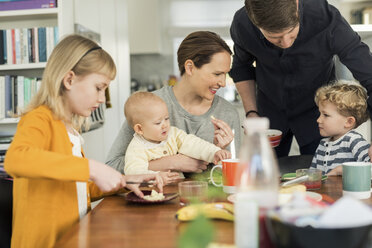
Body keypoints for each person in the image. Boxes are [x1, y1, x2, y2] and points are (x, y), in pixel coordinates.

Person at [4, 34, 163, 248]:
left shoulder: (69, 128)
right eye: (99, 88)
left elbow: (79, 190)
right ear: (69, 80)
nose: (101, 98)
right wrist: (93, 168)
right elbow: (16, 160)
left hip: (74, 238)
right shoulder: (39, 118)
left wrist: (124, 181)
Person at [229, 0, 372, 158]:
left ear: (296, 6)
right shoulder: (242, 23)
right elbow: (241, 68)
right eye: (275, 38)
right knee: (261, 175)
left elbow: (369, 75)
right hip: (269, 113)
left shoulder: (328, 19)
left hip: (319, 113)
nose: (286, 43)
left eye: (291, 32)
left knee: (324, 175)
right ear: (255, 24)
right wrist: (251, 112)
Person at [106, 31, 241, 174]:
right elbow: (112, 166)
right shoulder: (148, 107)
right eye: (217, 74)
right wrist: (172, 162)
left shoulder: (227, 113)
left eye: (226, 74)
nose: (223, 83)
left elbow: (235, 177)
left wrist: (219, 152)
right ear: (190, 67)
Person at [124, 91, 231, 181]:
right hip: (152, 192)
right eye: (158, 123)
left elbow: (195, 144)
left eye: (166, 119)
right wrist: (155, 176)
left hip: (178, 188)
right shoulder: (136, 148)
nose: (165, 125)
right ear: (139, 129)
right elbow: (134, 172)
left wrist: (215, 152)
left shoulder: (173, 134)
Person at [310, 81, 370, 175]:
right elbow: (313, 175)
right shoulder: (323, 144)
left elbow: (369, 168)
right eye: (320, 114)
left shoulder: (354, 141)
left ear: (349, 122)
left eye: (325, 115)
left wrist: (341, 170)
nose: (318, 120)